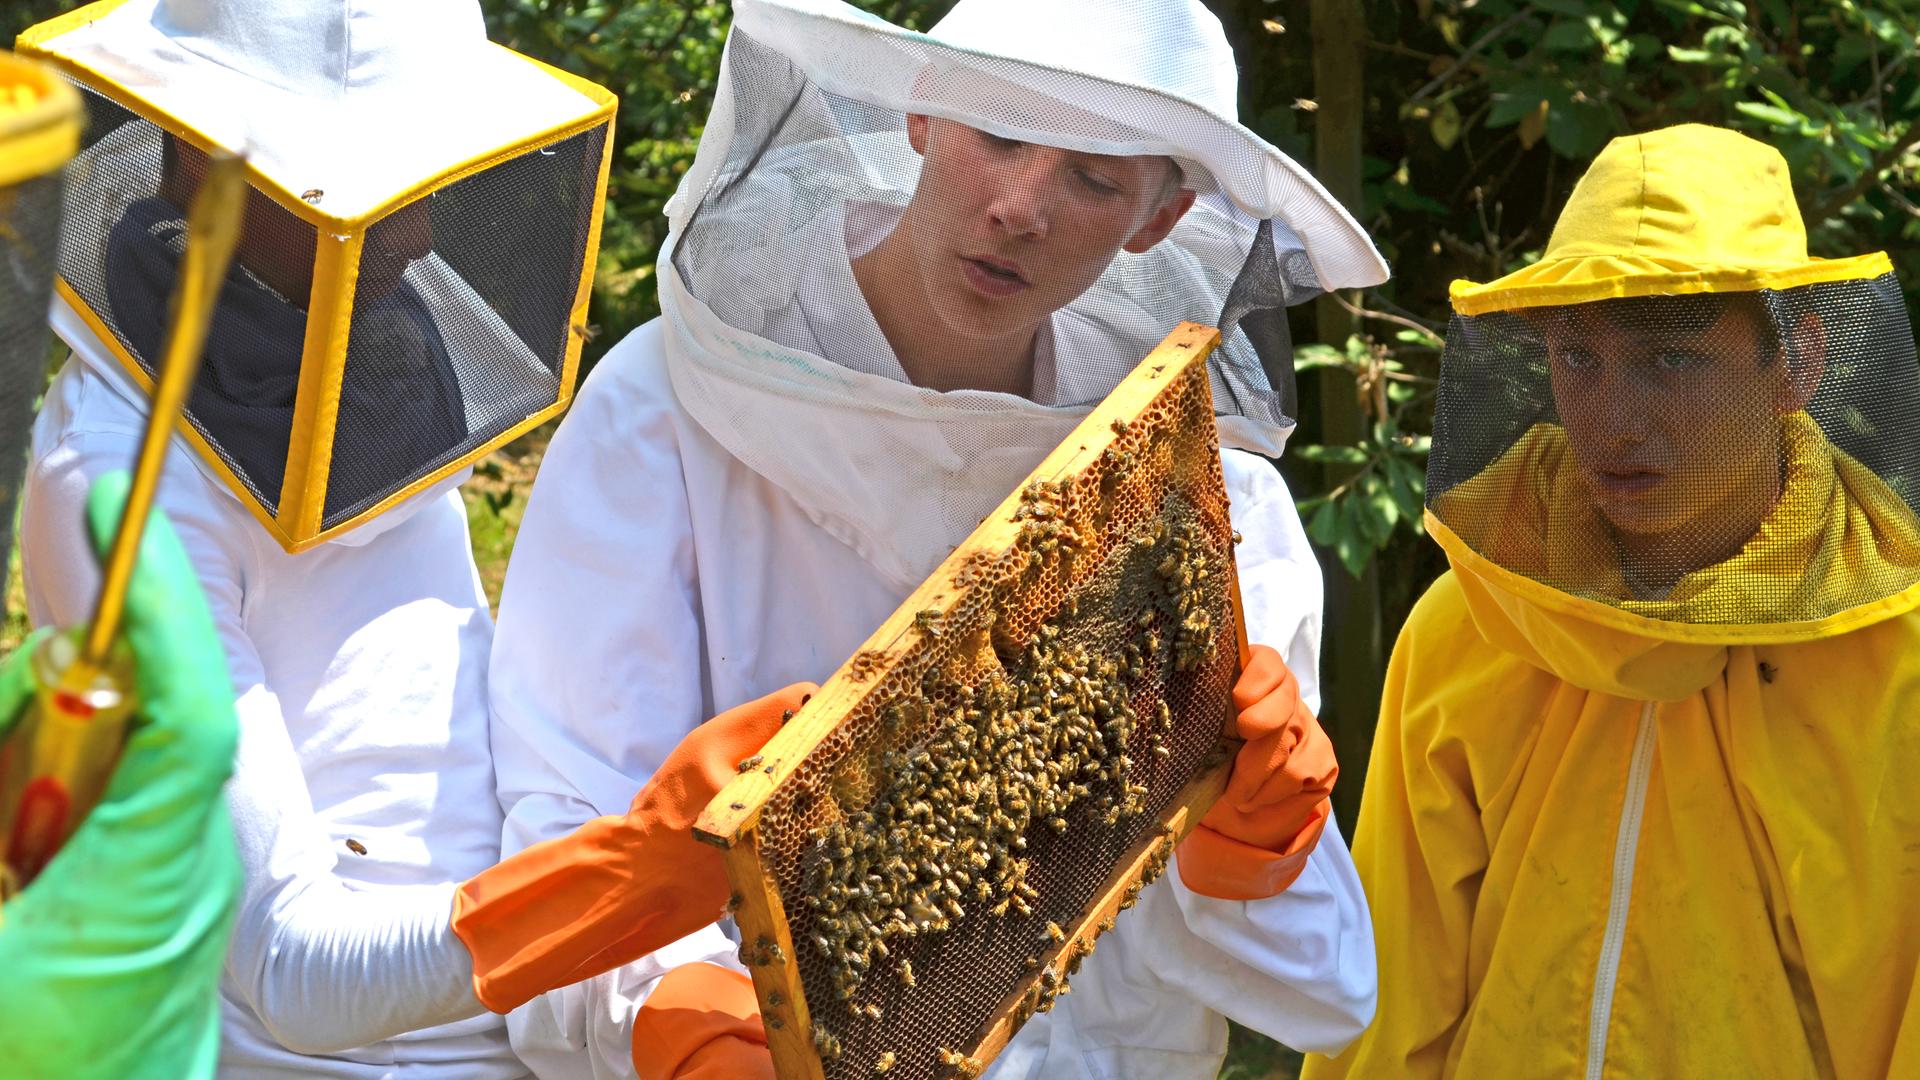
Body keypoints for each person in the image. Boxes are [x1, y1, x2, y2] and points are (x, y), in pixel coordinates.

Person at [488, 0, 1387, 1076]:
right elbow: (570, 824)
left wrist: (1258, 847)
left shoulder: (1209, 499)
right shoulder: (662, 413)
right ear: (922, 111)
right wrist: (678, 1022)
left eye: (1094, 179)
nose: (1019, 207)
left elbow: (1320, 995)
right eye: (999, 135)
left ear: (1157, 217)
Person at [18, 1, 790, 1075]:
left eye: (426, 182)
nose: (419, 237)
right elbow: (294, 972)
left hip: (517, 1012)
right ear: (206, 160)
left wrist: (664, 996)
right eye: (373, 185)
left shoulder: (346, 347)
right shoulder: (115, 490)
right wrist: (630, 874)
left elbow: (448, 760)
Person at [1302, 124, 1920, 1079]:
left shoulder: (1898, 666)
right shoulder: (1468, 627)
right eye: (1577, 359)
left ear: (1796, 362)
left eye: (1670, 359)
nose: (1611, 418)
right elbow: (1388, 994)